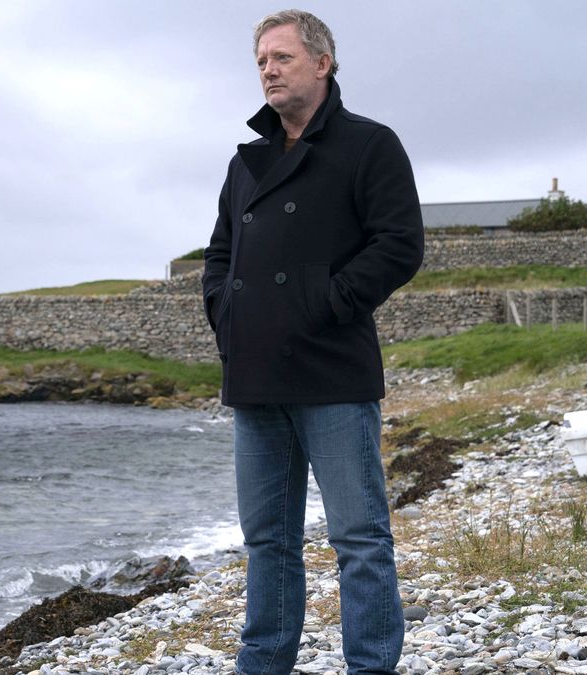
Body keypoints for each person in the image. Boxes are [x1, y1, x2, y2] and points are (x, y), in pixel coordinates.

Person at [202, 9, 425, 675]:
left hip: (332, 373)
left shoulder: (369, 145)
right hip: (256, 375)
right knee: (267, 539)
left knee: (358, 537)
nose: (268, 69)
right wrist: (226, 315)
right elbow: (219, 256)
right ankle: (263, 662)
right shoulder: (247, 163)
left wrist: (327, 303)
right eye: (261, 61)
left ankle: (371, 666)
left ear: (322, 63)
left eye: (282, 58)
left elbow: (400, 244)